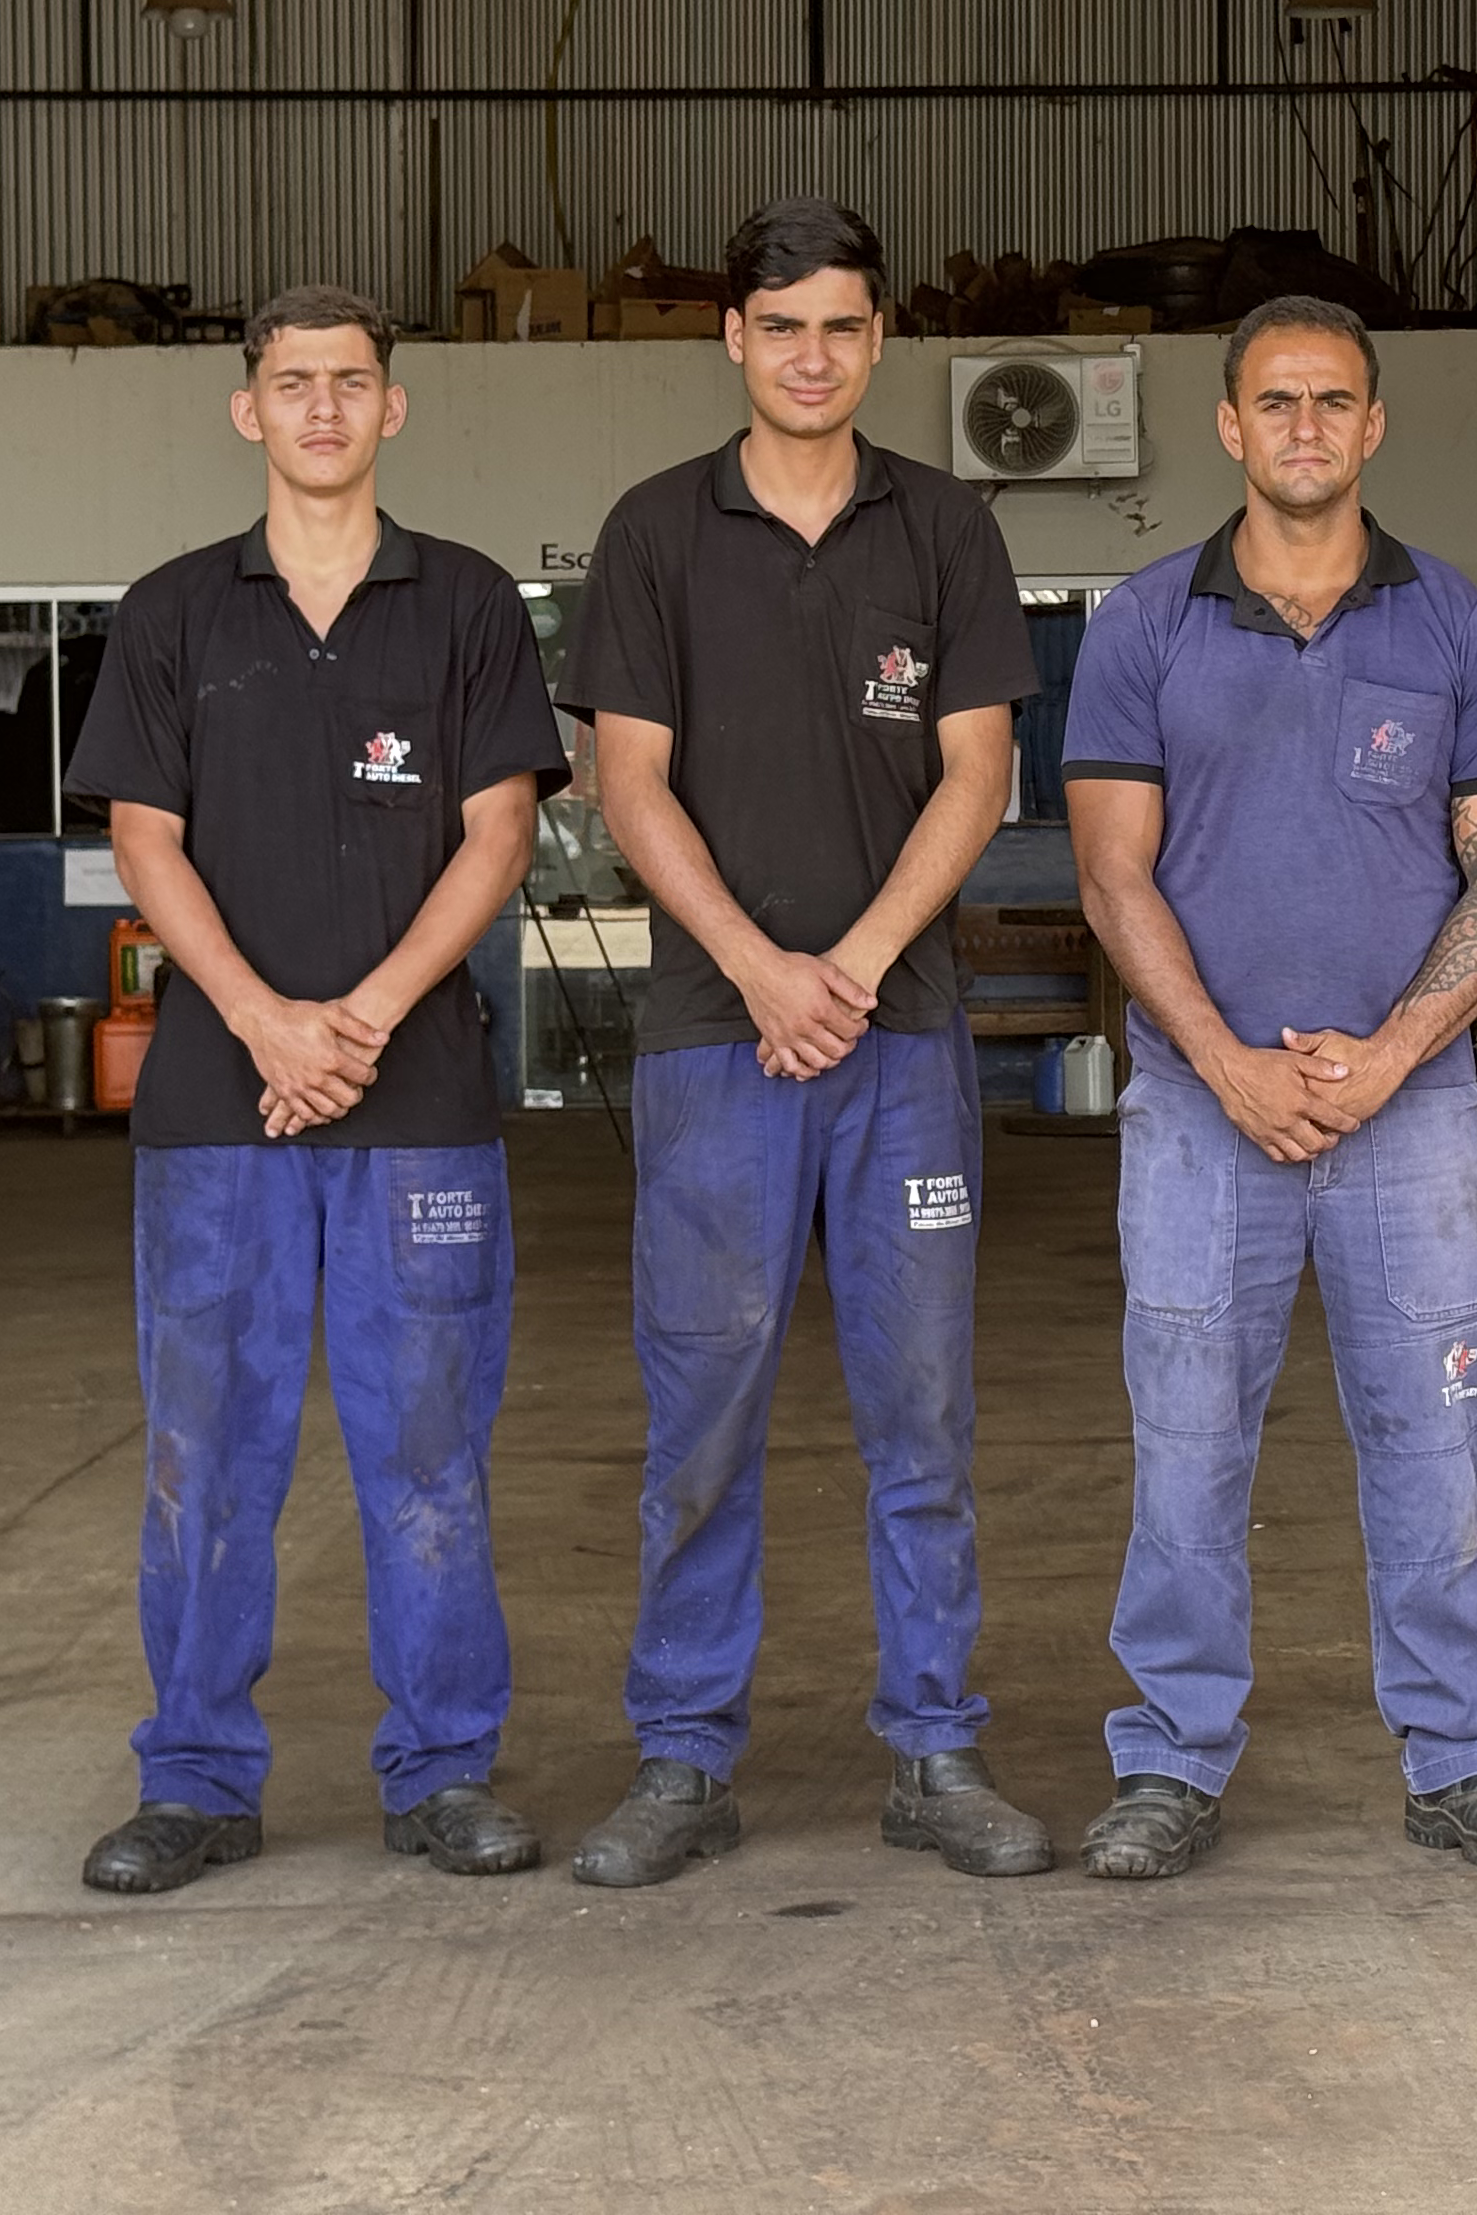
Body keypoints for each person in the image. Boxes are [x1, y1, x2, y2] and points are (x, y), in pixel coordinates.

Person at [559, 198, 1049, 1889]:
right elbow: (629, 784)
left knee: (924, 1414)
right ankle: (684, 1757)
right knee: (704, 1414)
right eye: (782, 328)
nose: (813, 357)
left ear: (879, 339)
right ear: (734, 340)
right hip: (716, 1044)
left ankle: (936, 1749)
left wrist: (846, 963)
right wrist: (762, 970)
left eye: (842, 327)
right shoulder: (654, 533)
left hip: (900, 1041)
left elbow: (978, 774)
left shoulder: (947, 529)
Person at [1060, 297, 1477, 1883]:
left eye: (1333, 402)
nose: (1304, 427)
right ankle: (1169, 1761)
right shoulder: (1144, 624)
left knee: (1432, 1439)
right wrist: (1227, 1062)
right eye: (1275, 402)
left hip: (1405, 1112)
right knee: (1187, 1446)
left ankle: (1464, 1760)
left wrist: (1394, 1054)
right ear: (1229, 426)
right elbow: (1112, 873)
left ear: (1375, 425)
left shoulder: (1458, 629)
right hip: (1200, 1113)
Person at [63, 282, 568, 1895]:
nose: (326, 408)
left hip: (418, 1106)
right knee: (205, 1453)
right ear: (250, 410)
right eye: (295, 384)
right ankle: (197, 1778)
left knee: (428, 1448)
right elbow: (144, 839)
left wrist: (354, 1020)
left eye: (353, 382)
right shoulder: (173, 613)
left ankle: (443, 1770)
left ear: (393, 407)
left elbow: (500, 830)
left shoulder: (468, 603)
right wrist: (265, 1024)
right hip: (219, 1113)